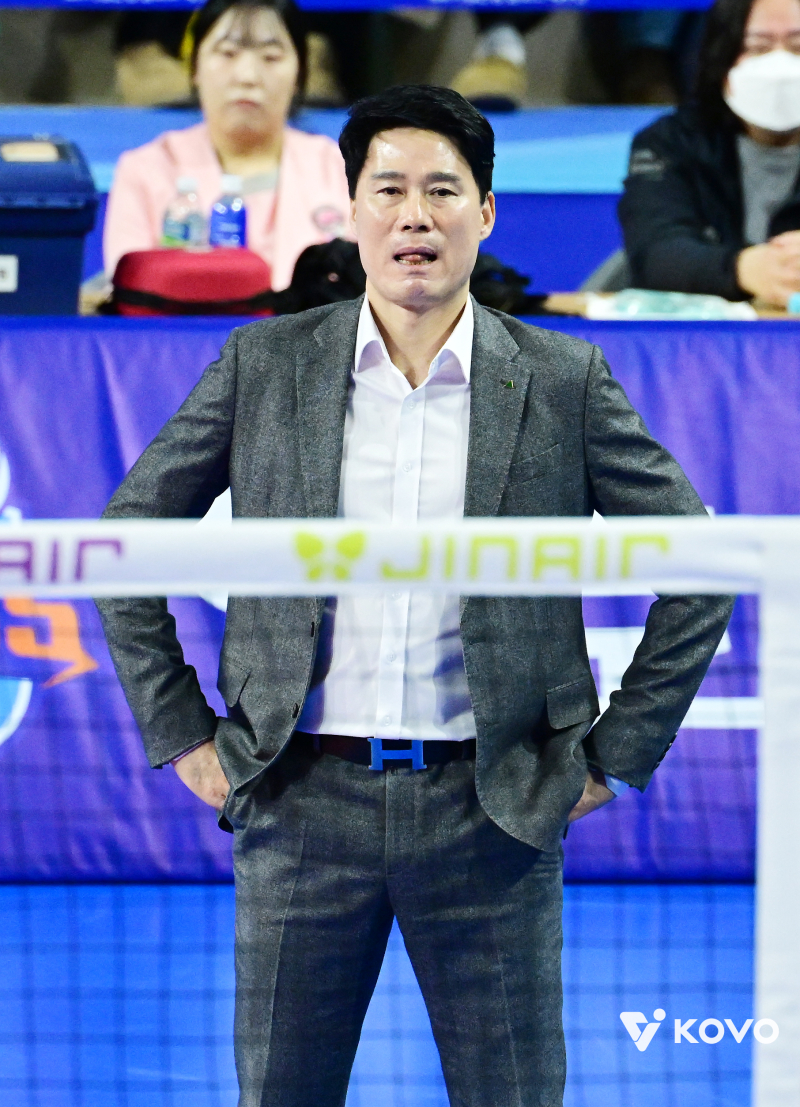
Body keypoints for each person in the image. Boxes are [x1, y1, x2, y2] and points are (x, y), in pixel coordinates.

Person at [96, 85, 733, 1107]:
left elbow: (704, 565)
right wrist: (180, 732)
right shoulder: (264, 364)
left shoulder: (563, 378)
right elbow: (120, 540)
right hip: (298, 805)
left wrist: (614, 756)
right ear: (350, 209)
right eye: (387, 189)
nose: (414, 216)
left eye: (443, 190)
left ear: (486, 212)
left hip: (494, 811)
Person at [103, 0, 351, 290]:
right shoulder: (146, 169)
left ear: (299, 74)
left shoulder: (339, 168)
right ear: (194, 68)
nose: (247, 76)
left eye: (271, 57)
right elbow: (131, 293)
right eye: (227, 53)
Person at [619, 0, 800, 306]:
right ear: (723, 60)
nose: (780, 68)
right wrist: (746, 269)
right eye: (758, 48)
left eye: (797, 47)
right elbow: (655, 252)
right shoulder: (670, 142)